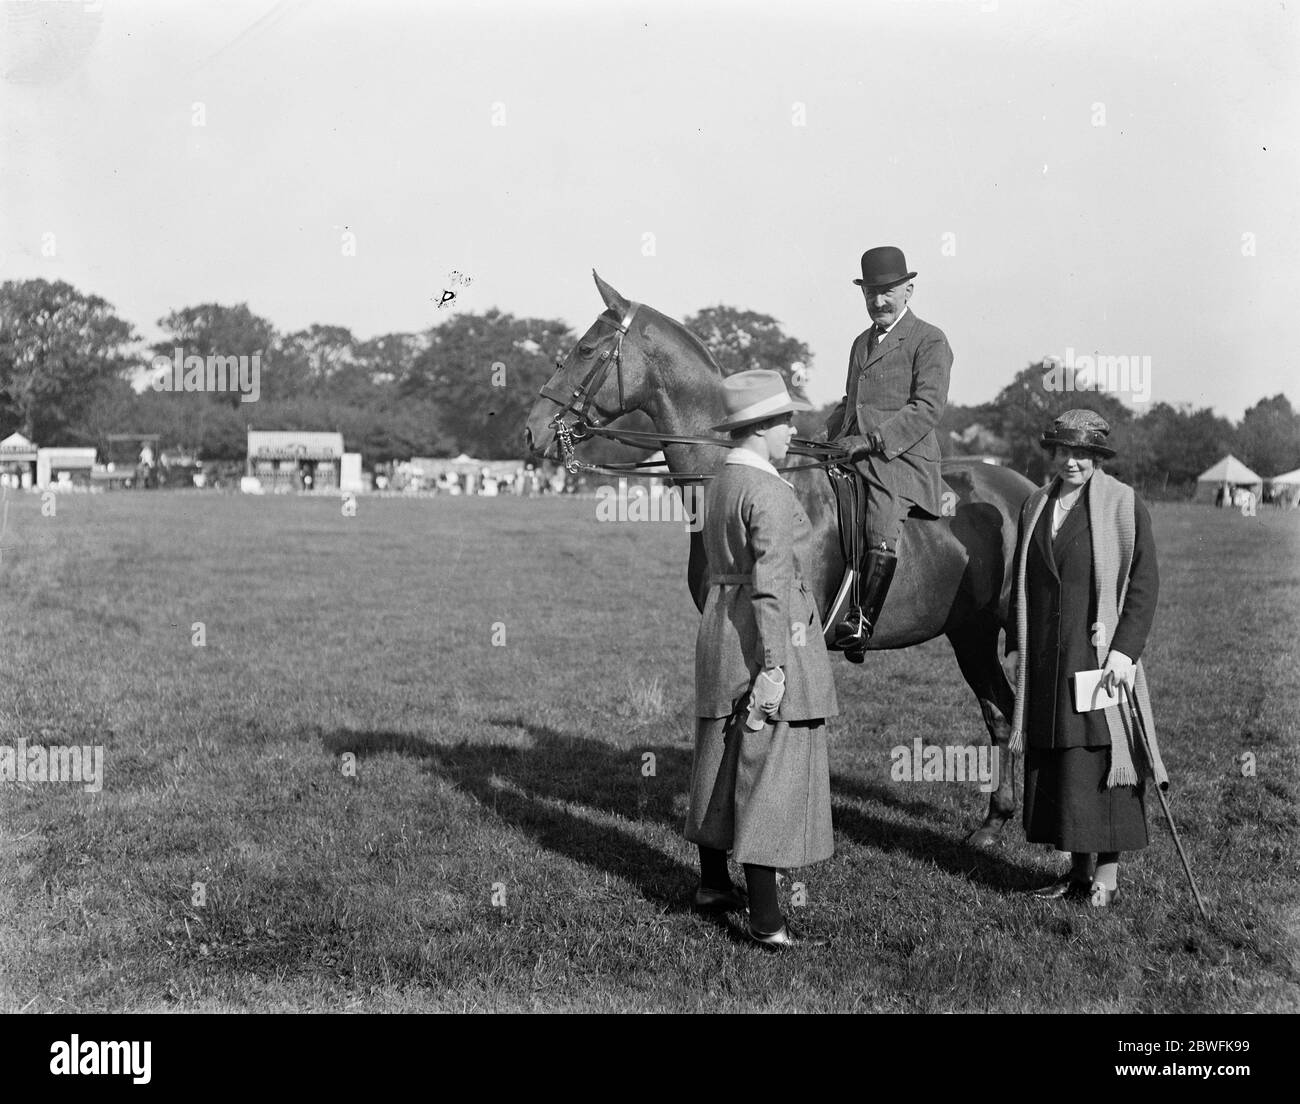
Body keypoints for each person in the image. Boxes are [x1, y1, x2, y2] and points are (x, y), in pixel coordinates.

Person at [684, 369, 839, 949]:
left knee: (720, 754)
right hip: (764, 634)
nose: (794, 431)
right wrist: (774, 665)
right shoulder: (769, 489)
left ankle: (711, 885)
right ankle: (767, 919)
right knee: (768, 768)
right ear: (761, 427)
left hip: (720, 624)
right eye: (786, 421)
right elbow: (773, 585)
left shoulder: (720, 481)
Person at [1007, 409, 1169, 907]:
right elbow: (1022, 580)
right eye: (1063, 451)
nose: (1072, 461)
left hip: (1098, 656)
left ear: (1097, 457)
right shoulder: (1036, 504)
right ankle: (1076, 872)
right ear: (1052, 453)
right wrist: (1017, 645)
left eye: (1083, 453)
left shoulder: (1122, 503)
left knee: (1102, 756)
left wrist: (1124, 651)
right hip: (1048, 663)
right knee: (1062, 760)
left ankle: (1108, 873)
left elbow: (1144, 583)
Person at [824, 246, 953, 661]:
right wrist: (820, 438)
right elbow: (851, 402)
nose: (878, 301)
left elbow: (927, 408)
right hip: (856, 451)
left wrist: (870, 441)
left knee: (880, 516)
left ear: (908, 291)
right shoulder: (861, 342)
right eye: (870, 293)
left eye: (887, 292)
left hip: (902, 457)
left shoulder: (929, 339)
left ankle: (862, 618)